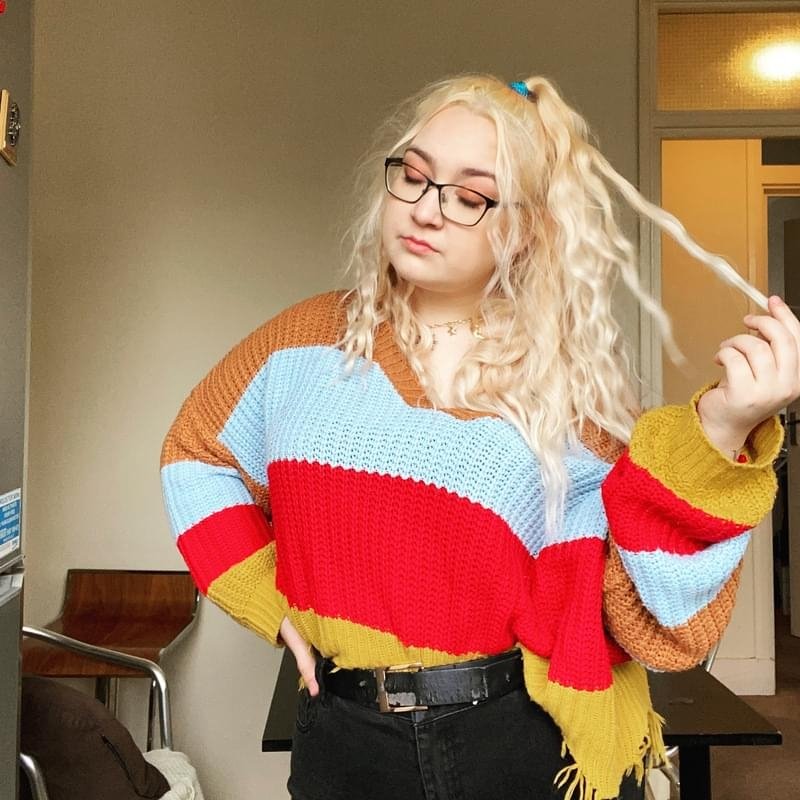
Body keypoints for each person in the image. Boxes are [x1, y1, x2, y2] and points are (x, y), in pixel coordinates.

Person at [160, 74, 798, 800]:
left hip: (520, 738)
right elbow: (196, 455)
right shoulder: (301, 344)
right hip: (342, 739)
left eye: (470, 196)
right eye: (414, 175)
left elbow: (644, 618)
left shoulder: (568, 391)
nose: (426, 210)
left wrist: (719, 432)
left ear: (525, 229)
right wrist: (268, 604)